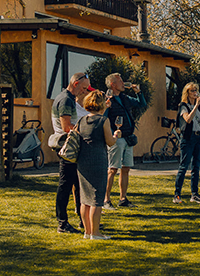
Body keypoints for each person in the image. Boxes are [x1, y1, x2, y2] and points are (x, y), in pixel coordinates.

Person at [75, 90, 123, 240]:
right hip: (98, 160)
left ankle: (87, 231)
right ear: (101, 105)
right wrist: (116, 135)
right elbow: (109, 141)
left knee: (85, 198)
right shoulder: (103, 121)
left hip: (82, 161)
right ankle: (96, 233)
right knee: (97, 197)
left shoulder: (82, 120)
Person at [50, 72, 91, 234]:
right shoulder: (66, 99)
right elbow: (67, 127)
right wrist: (87, 133)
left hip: (71, 146)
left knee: (78, 185)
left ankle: (84, 221)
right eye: (83, 88)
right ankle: (62, 223)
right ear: (75, 84)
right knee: (66, 185)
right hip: (68, 147)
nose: (84, 91)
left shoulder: (66, 97)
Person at [103, 73, 144, 209]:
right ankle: (106, 200)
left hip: (128, 137)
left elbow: (141, 104)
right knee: (113, 169)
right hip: (117, 139)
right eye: (120, 81)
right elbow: (103, 118)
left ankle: (123, 198)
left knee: (126, 168)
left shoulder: (125, 97)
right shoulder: (108, 100)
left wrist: (139, 93)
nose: (123, 83)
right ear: (113, 84)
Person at [173, 82, 200, 203]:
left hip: (198, 137)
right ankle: (177, 194)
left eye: (196, 90)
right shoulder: (184, 106)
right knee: (184, 166)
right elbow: (187, 119)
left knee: (196, 167)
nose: (195, 93)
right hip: (188, 138)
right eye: (192, 91)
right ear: (187, 93)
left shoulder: (199, 108)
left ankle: (195, 194)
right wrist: (196, 106)